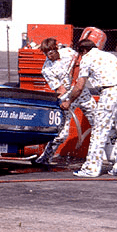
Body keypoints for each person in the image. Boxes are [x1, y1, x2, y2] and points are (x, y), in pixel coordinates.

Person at [61, 39, 117, 177]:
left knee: (99, 131)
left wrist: (69, 101)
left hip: (109, 93)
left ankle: (91, 168)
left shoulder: (87, 59)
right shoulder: (110, 55)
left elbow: (79, 86)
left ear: (83, 51)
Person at [33, 38, 96, 166]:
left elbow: (81, 63)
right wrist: (66, 100)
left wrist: (77, 78)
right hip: (67, 99)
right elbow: (60, 89)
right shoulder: (47, 69)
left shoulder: (69, 53)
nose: (48, 56)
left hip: (83, 94)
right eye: (45, 54)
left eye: (50, 53)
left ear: (56, 48)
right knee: (61, 134)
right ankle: (45, 158)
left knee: (99, 123)